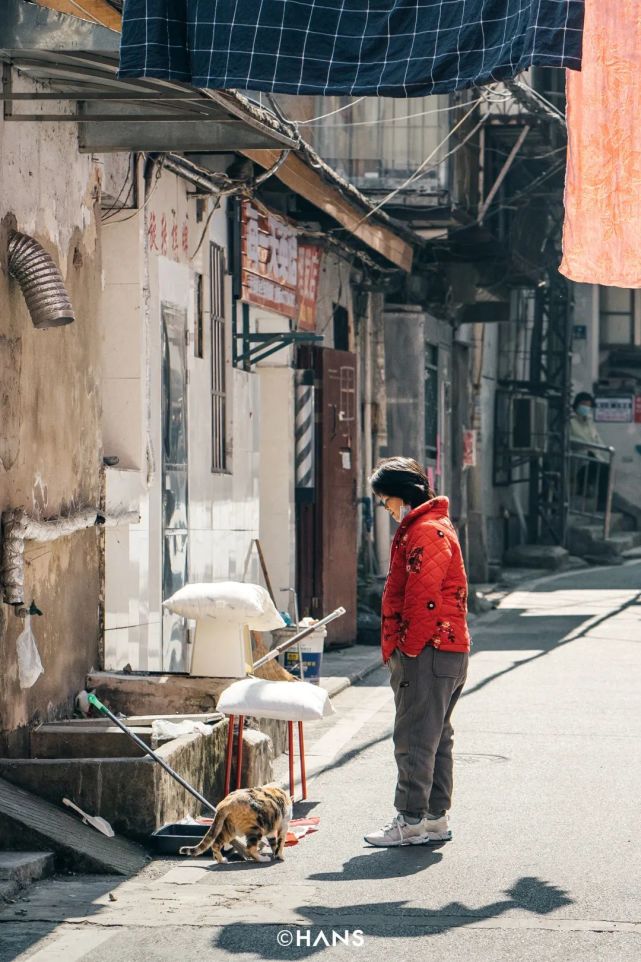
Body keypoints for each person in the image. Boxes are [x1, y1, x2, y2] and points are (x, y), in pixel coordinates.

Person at [364, 457, 471, 848]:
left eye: (385, 500)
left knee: (413, 737)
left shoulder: (424, 531)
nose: (386, 509)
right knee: (436, 736)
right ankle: (434, 820)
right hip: (447, 649)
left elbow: (422, 601)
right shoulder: (433, 526)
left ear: (402, 496)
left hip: (428, 649)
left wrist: (405, 649)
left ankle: (409, 821)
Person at [569, 392, 611, 510]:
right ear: (576, 405)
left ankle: (602, 504)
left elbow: (598, 441)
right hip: (578, 460)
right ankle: (583, 487)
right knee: (596, 463)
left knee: (605, 469)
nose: (585, 408)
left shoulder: (590, 424)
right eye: (583, 404)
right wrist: (585, 446)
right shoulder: (570, 422)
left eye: (588, 406)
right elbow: (569, 440)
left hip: (592, 459)